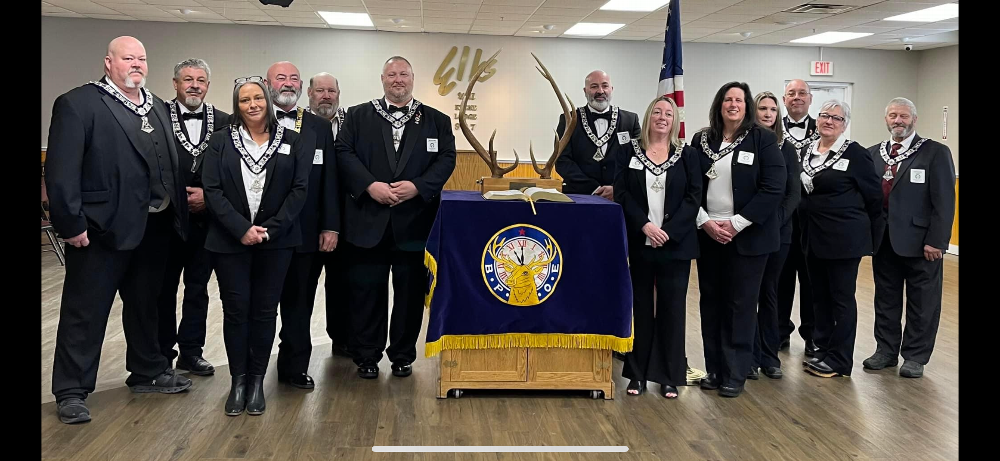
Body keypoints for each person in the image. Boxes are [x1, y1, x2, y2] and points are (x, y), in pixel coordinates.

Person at [46, 36, 193, 424]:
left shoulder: (158, 105)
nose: (136, 64)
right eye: (128, 58)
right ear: (108, 62)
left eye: (142, 58)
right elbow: (60, 172)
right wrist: (71, 223)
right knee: (85, 312)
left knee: (146, 307)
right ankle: (72, 390)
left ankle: (147, 370)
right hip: (98, 231)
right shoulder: (78, 103)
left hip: (154, 228)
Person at [336, 56, 456, 379]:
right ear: (382, 79)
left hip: (415, 226)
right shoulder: (356, 117)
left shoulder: (437, 121)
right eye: (392, 74)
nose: (398, 79)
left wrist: (418, 187)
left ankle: (403, 354)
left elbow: (447, 160)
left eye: (403, 74)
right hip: (366, 223)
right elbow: (343, 153)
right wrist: (369, 185)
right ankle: (367, 356)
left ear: (413, 79)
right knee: (366, 293)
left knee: (409, 296)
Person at [202, 76, 310, 415]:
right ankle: (238, 382)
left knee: (265, 312)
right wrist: (241, 229)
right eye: (244, 100)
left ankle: (258, 382)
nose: (252, 105)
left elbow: (299, 190)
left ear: (268, 101)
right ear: (237, 105)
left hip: (276, 242)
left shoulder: (291, 139)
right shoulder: (220, 140)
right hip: (229, 241)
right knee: (236, 312)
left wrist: (269, 230)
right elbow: (212, 189)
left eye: (258, 98)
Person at [692, 81, 785, 398]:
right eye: (728, 99)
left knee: (740, 306)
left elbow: (774, 188)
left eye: (739, 100)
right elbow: (690, 185)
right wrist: (705, 221)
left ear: (746, 107)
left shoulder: (763, 139)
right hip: (708, 236)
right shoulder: (702, 139)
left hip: (748, 238)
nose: (733, 104)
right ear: (719, 104)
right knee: (711, 303)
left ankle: (736, 372)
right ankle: (714, 369)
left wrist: (735, 224)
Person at [614, 96, 701, 398]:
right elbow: (622, 193)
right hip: (640, 241)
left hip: (675, 245)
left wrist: (668, 231)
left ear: (675, 120)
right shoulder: (627, 151)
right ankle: (636, 374)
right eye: (657, 113)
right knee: (640, 306)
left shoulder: (687, 155)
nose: (662, 118)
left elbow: (694, 197)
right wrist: (645, 226)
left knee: (672, 309)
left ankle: (668, 375)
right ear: (649, 117)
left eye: (668, 114)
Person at [863, 97, 956, 378]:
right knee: (885, 299)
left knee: (923, 303)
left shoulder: (935, 152)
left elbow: (944, 201)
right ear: (886, 119)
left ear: (914, 119)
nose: (898, 121)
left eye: (903, 116)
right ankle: (886, 351)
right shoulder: (873, 154)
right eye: (893, 116)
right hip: (884, 242)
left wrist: (938, 241)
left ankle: (915, 356)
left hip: (921, 243)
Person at [265, 62, 340, 390]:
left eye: (293, 78)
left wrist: (331, 226)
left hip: (307, 233)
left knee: (299, 305)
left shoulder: (319, 128)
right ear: (267, 83)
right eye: (281, 78)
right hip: (262, 233)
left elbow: (329, 182)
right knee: (262, 306)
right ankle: (252, 369)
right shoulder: (252, 121)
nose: (288, 83)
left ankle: (294, 367)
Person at [157, 58, 231, 377]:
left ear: (208, 86)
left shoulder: (227, 122)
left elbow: (234, 172)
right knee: (161, 289)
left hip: (207, 222)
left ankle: (191, 352)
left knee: (197, 289)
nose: (194, 85)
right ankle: (160, 355)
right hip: (165, 221)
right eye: (188, 79)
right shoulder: (156, 117)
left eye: (201, 80)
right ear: (175, 83)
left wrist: (209, 199)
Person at [798, 100, 882, 378]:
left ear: (845, 124)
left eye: (836, 118)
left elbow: (874, 198)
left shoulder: (856, 154)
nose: (828, 121)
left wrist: (871, 239)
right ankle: (822, 348)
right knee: (818, 298)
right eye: (824, 116)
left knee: (841, 300)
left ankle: (840, 360)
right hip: (812, 236)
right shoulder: (807, 151)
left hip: (844, 240)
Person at [749, 91, 801, 380]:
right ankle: (749, 354)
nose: (768, 114)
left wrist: (774, 222)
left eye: (772, 109)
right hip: (744, 231)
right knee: (746, 296)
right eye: (762, 108)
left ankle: (769, 356)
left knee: (768, 293)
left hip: (777, 234)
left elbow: (793, 193)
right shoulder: (744, 144)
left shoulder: (786, 149)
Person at [305, 72, 353, 358]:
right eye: (320, 90)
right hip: (307, 221)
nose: (326, 96)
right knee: (303, 288)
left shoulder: (353, 123)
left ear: (338, 93)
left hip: (346, 221)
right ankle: (298, 346)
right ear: (309, 93)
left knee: (342, 286)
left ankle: (342, 339)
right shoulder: (296, 125)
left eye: (331, 91)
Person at [777, 79, 821, 356]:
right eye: (791, 93)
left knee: (811, 282)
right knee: (780, 279)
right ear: (784, 99)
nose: (797, 98)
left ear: (810, 98)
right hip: (782, 219)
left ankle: (813, 335)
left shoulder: (825, 127)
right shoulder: (771, 129)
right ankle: (778, 330)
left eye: (802, 93)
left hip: (813, 221)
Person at [555, 70, 641, 198]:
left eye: (605, 86)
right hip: (579, 196)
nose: (600, 91)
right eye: (594, 86)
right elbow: (562, 161)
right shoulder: (568, 119)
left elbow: (638, 160)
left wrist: (617, 188)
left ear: (611, 89)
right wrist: (593, 188)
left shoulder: (630, 120)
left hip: (620, 197)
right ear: (585, 91)